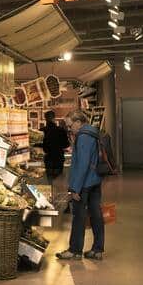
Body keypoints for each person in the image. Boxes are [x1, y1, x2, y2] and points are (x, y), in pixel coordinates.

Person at [58, 110, 106, 261]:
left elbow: (82, 165)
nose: (69, 128)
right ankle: (97, 249)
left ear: (78, 122)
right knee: (96, 215)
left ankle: (75, 250)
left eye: (70, 125)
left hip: (84, 184)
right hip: (95, 180)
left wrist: (75, 188)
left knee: (79, 216)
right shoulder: (93, 133)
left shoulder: (84, 136)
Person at [41, 111, 69, 180]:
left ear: (45, 118)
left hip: (48, 159)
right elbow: (66, 144)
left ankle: (51, 190)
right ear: (54, 118)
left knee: (50, 180)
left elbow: (40, 145)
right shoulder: (61, 130)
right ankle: (58, 190)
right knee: (58, 180)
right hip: (59, 158)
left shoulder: (42, 130)